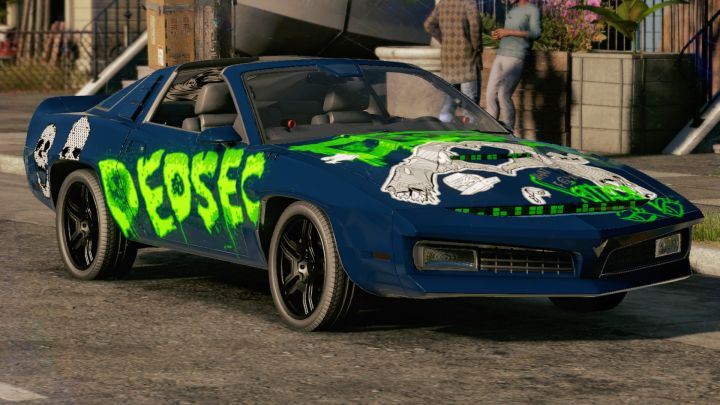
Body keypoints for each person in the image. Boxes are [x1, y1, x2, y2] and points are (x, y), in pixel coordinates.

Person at [424, 0, 483, 122]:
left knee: (449, 99)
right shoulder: (468, 2)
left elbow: (428, 25)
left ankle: (444, 125)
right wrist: (475, 45)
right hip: (466, 58)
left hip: (448, 59)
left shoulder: (443, 3)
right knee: (470, 102)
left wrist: (444, 40)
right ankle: (470, 129)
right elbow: (475, 25)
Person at [486, 0, 541, 129]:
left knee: (503, 94)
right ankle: (491, 130)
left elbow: (536, 33)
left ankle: (508, 131)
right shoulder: (512, 10)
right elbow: (508, 33)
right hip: (501, 54)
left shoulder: (533, 10)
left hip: (516, 56)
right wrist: (499, 34)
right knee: (490, 95)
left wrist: (509, 32)